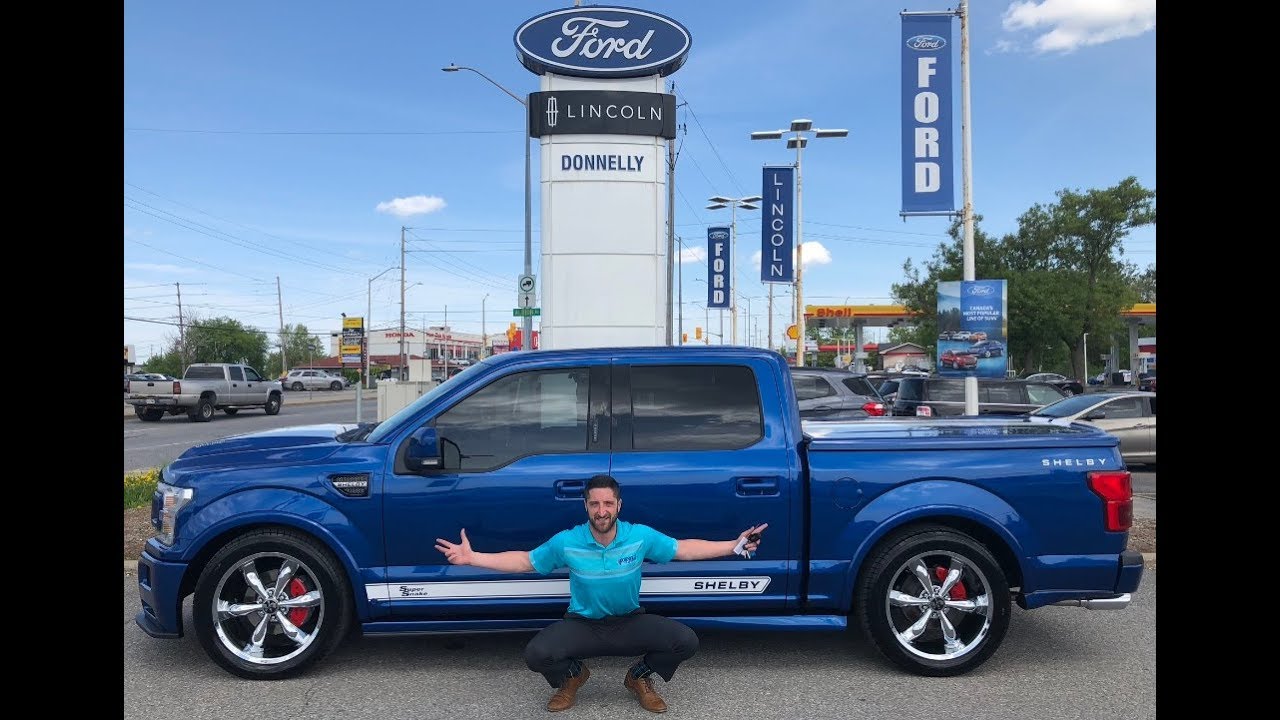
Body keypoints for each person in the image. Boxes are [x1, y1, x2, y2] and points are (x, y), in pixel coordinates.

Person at [435, 474, 767, 713]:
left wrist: (733, 546)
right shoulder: (568, 541)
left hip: (629, 622)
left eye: (608, 503)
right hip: (583, 624)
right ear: (586, 506)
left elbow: (683, 549)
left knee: (686, 641)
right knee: (536, 654)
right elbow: (525, 560)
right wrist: (473, 558)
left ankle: (638, 677)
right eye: (595, 503)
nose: (602, 510)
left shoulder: (639, 536)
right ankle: (573, 675)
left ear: (619, 505)